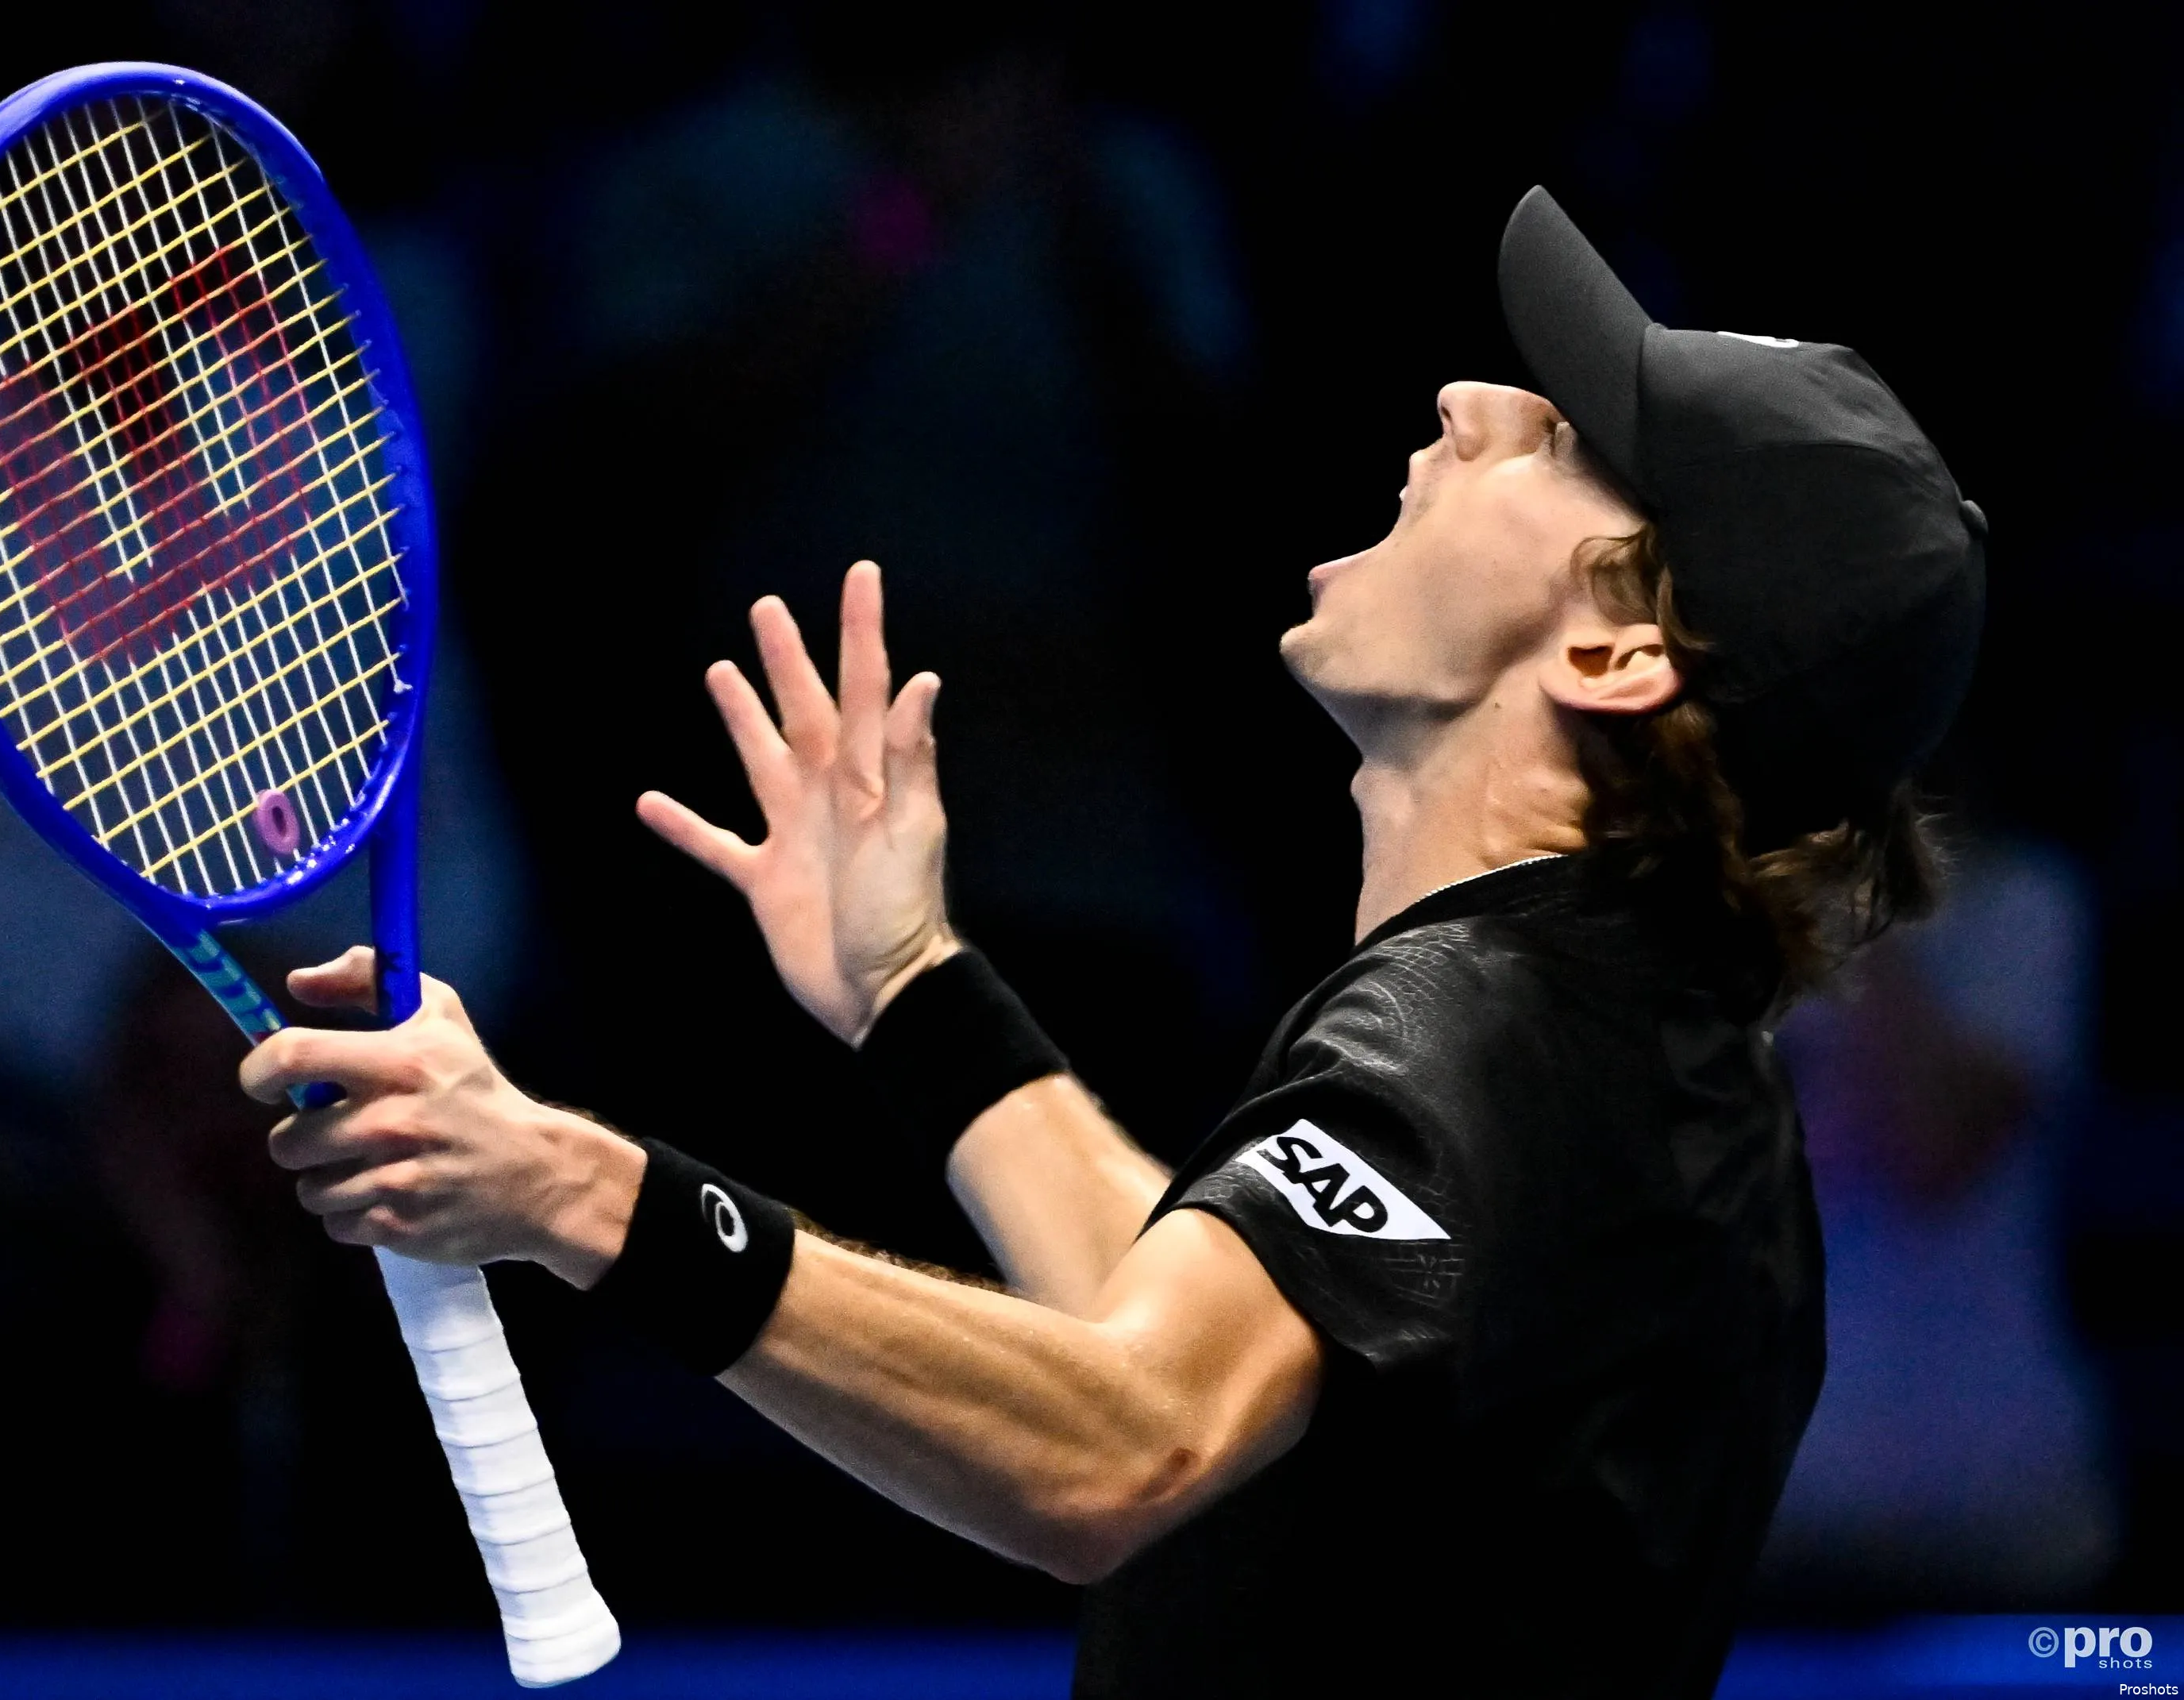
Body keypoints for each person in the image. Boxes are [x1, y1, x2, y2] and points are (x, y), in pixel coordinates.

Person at [237, 189, 1986, 1696]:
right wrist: (915, 986)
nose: (1471, 399)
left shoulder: (1489, 1035)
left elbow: (1125, 1436)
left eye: (1566, 444)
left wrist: (578, 1192)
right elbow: (1192, 1350)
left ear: (1617, 659)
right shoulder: (1641, 1059)